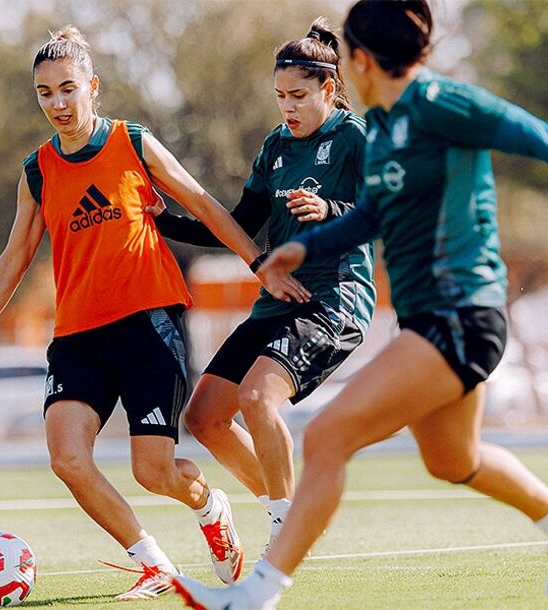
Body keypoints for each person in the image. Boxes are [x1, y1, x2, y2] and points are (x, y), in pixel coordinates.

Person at [172, 2, 548, 608]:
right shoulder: (389, 125)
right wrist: (301, 249)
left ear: (359, 64)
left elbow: (543, 139)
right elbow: (373, 216)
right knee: (453, 460)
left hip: (461, 312)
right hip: (430, 318)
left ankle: (255, 594)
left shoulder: (444, 106)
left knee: (329, 437)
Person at [0, 26, 311, 601]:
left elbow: (203, 204)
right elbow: (14, 256)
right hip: (79, 337)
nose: (57, 104)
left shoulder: (132, 142)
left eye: (68, 89)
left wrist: (258, 261)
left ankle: (210, 506)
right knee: (67, 458)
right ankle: (153, 563)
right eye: (44, 93)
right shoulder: (37, 171)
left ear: (93, 86)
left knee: (153, 473)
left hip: (148, 329)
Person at [146, 17, 375, 550]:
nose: (287, 107)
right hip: (277, 302)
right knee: (203, 419)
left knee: (257, 397)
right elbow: (237, 223)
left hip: (333, 300)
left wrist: (331, 208)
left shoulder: (354, 138)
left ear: (330, 88)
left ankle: (285, 527)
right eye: (279, 96)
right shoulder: (275, 147)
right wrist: (161, 218)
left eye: (298, 94)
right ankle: (290, 510)